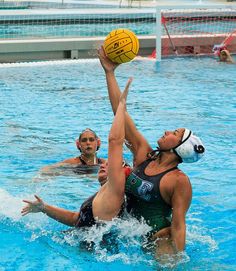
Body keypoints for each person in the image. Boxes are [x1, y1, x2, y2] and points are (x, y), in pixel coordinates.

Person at [98, 46, 205, 256]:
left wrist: (178, 254)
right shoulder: (144, 155)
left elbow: (179, 224)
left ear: (180, 148)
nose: (167, 131)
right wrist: (109, 72)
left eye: (174, 132)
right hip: (125, 230)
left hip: (157, 237)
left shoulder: (178, 181)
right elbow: (120, 113)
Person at [22, 79, 133, 228]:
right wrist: (44, 208)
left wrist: (121, 105)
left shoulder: (113, 195)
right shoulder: (101, 195)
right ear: (78, 144)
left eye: (110, 166)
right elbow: (77, 219)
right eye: (84, 140)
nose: (88, 143)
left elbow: (115, 141)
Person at [41, 128, 106, 175]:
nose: (88, 143)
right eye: (84, 140)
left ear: (98, 143)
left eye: (91, 140)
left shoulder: (105, 163)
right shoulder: (72, 163)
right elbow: (46, 169)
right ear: (79, 145)